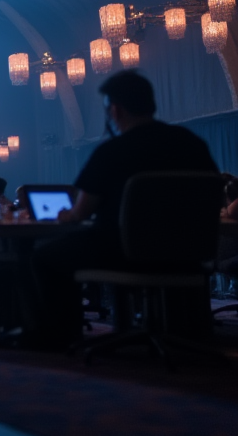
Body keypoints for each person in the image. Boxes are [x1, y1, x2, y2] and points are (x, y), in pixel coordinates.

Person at [25, 71, 219, 348]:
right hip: (190, 254)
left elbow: (79, 213)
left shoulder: (111, 152)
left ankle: (60, 339)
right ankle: (192, 332)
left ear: (114, 109)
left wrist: (65, 215)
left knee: (44, 256)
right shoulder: (192, 143)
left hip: (125, 253)